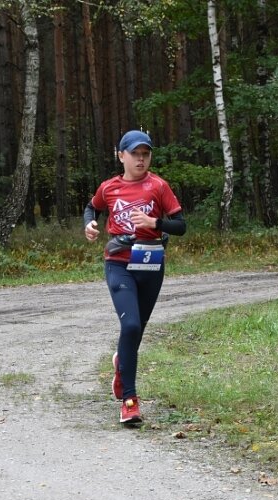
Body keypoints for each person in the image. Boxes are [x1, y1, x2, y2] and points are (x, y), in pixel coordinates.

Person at [83, 130, 187, 424]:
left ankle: (121, 366)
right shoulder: (109, 188)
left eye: (146, 154)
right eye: (135, 154)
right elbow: (92, 206)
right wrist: (89, 223)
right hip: (118, 261)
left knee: (137, 329)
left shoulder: (158, 186)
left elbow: (180, 226)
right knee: (129, 324)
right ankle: (129, 401)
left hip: (151, 261)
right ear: (121, 156)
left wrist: (155, 222)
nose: (141, 159)